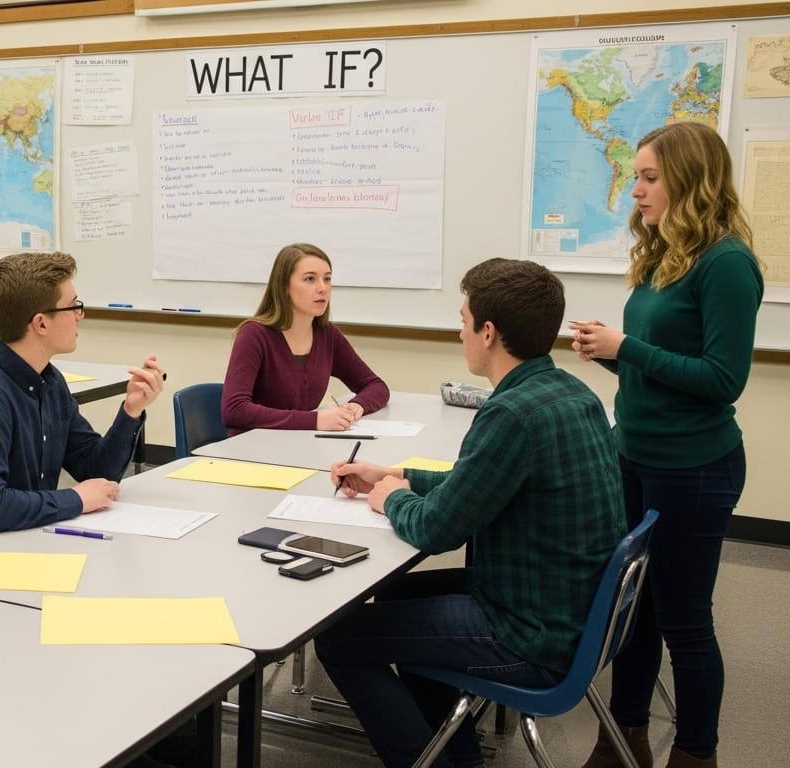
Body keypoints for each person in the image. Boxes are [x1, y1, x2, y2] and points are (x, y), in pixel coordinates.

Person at [316, 258, 625, 768]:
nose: (459, 332)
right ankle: (456, 751)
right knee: (388, 597)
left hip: (530, 633)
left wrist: (391, 498)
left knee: (337, 636)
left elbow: (438, 530)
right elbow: (483, 486)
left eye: (463, 319)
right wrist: (400, 475)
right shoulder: (571, 392)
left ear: (488, 331)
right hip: (571, 609)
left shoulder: (510, 413)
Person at [570, 121, 764, 768]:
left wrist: (628, 348)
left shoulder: (727, 263)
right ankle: (621, 737)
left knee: (684, 619)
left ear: (690, 179)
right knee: (633, 612)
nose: (636, 192)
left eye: (650, 178)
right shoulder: (660, 255)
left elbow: (720, 380)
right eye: (635, 178)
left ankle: (694, 752)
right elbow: (657, 369)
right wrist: (610, 355)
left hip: (694, 467)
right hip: (637, 454)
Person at [0, 251, 165, 547]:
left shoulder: (49, 382)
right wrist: (74, 500)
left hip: (27, 538)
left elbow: (96, 473)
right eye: (73, 307)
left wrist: (131, 411)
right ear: (41, 324)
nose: (80, 315)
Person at [223, 243, 388, 435]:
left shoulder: (327, 335)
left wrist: (356, 406)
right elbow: (234, 411)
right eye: (310, 279)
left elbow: (376, 386)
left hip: (300, 444)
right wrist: (315, 420)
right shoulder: (254, 335)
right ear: (284, 286)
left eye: (327, 279)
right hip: (249, 450)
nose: (322, 288)